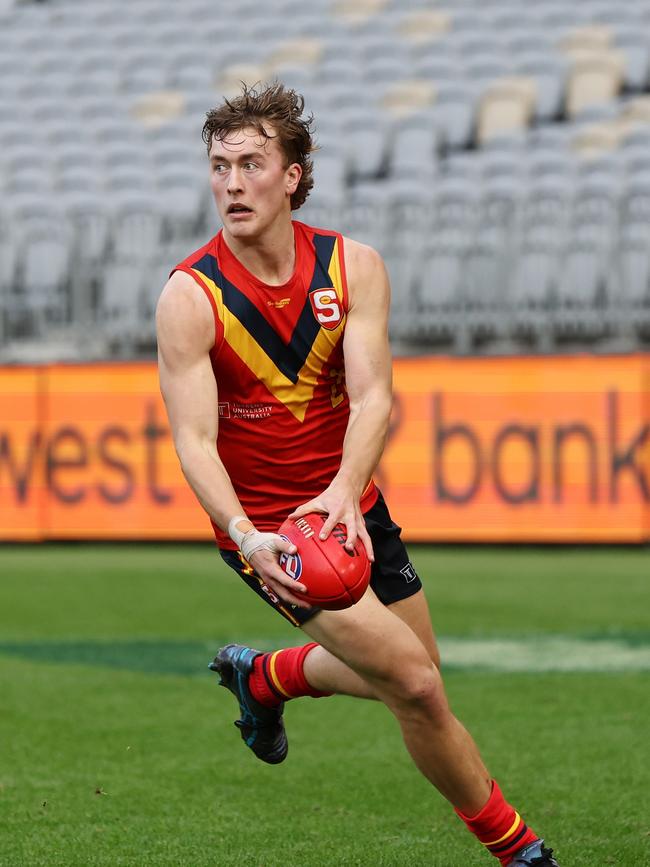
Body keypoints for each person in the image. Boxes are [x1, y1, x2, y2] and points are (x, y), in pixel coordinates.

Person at [156, 81, 560, 867]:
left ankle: (266, 677)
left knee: (416, 676)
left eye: (251, 164)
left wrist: (346, 490)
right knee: (415, 684)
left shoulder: (353, 266)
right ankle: (520, 850)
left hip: (351, 505)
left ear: (293, 175)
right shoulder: (190, 296)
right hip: (273, 533)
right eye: (219, 165)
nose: (232, 184)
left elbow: (376, 396)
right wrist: (248, 537)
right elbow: (194, 441)